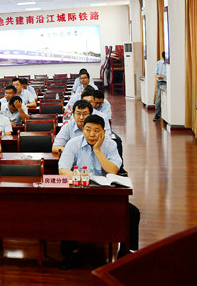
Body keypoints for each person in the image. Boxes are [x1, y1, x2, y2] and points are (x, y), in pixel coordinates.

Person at [58, 114, 140, 267]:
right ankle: (71, 253)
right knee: (65, 210)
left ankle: (127, 253)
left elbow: (112, 170)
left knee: (133, 213)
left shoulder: (110, 145)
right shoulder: (73, 144)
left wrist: (97, 150)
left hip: (105, 195)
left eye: (96, 131)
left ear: (103, 132)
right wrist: (82, 178)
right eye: (88, 130)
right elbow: (63, 170)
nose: (91, 134)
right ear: (83, 130)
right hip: (80, 192)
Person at [154, 52, 167, 121]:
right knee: (158, 100)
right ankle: (157, 114)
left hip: (167, 82)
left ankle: (166, 116)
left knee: (166, 100)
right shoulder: (159, 63)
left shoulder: (169, 64)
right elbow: (155, 73)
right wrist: (158, 76)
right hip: (160, 82)